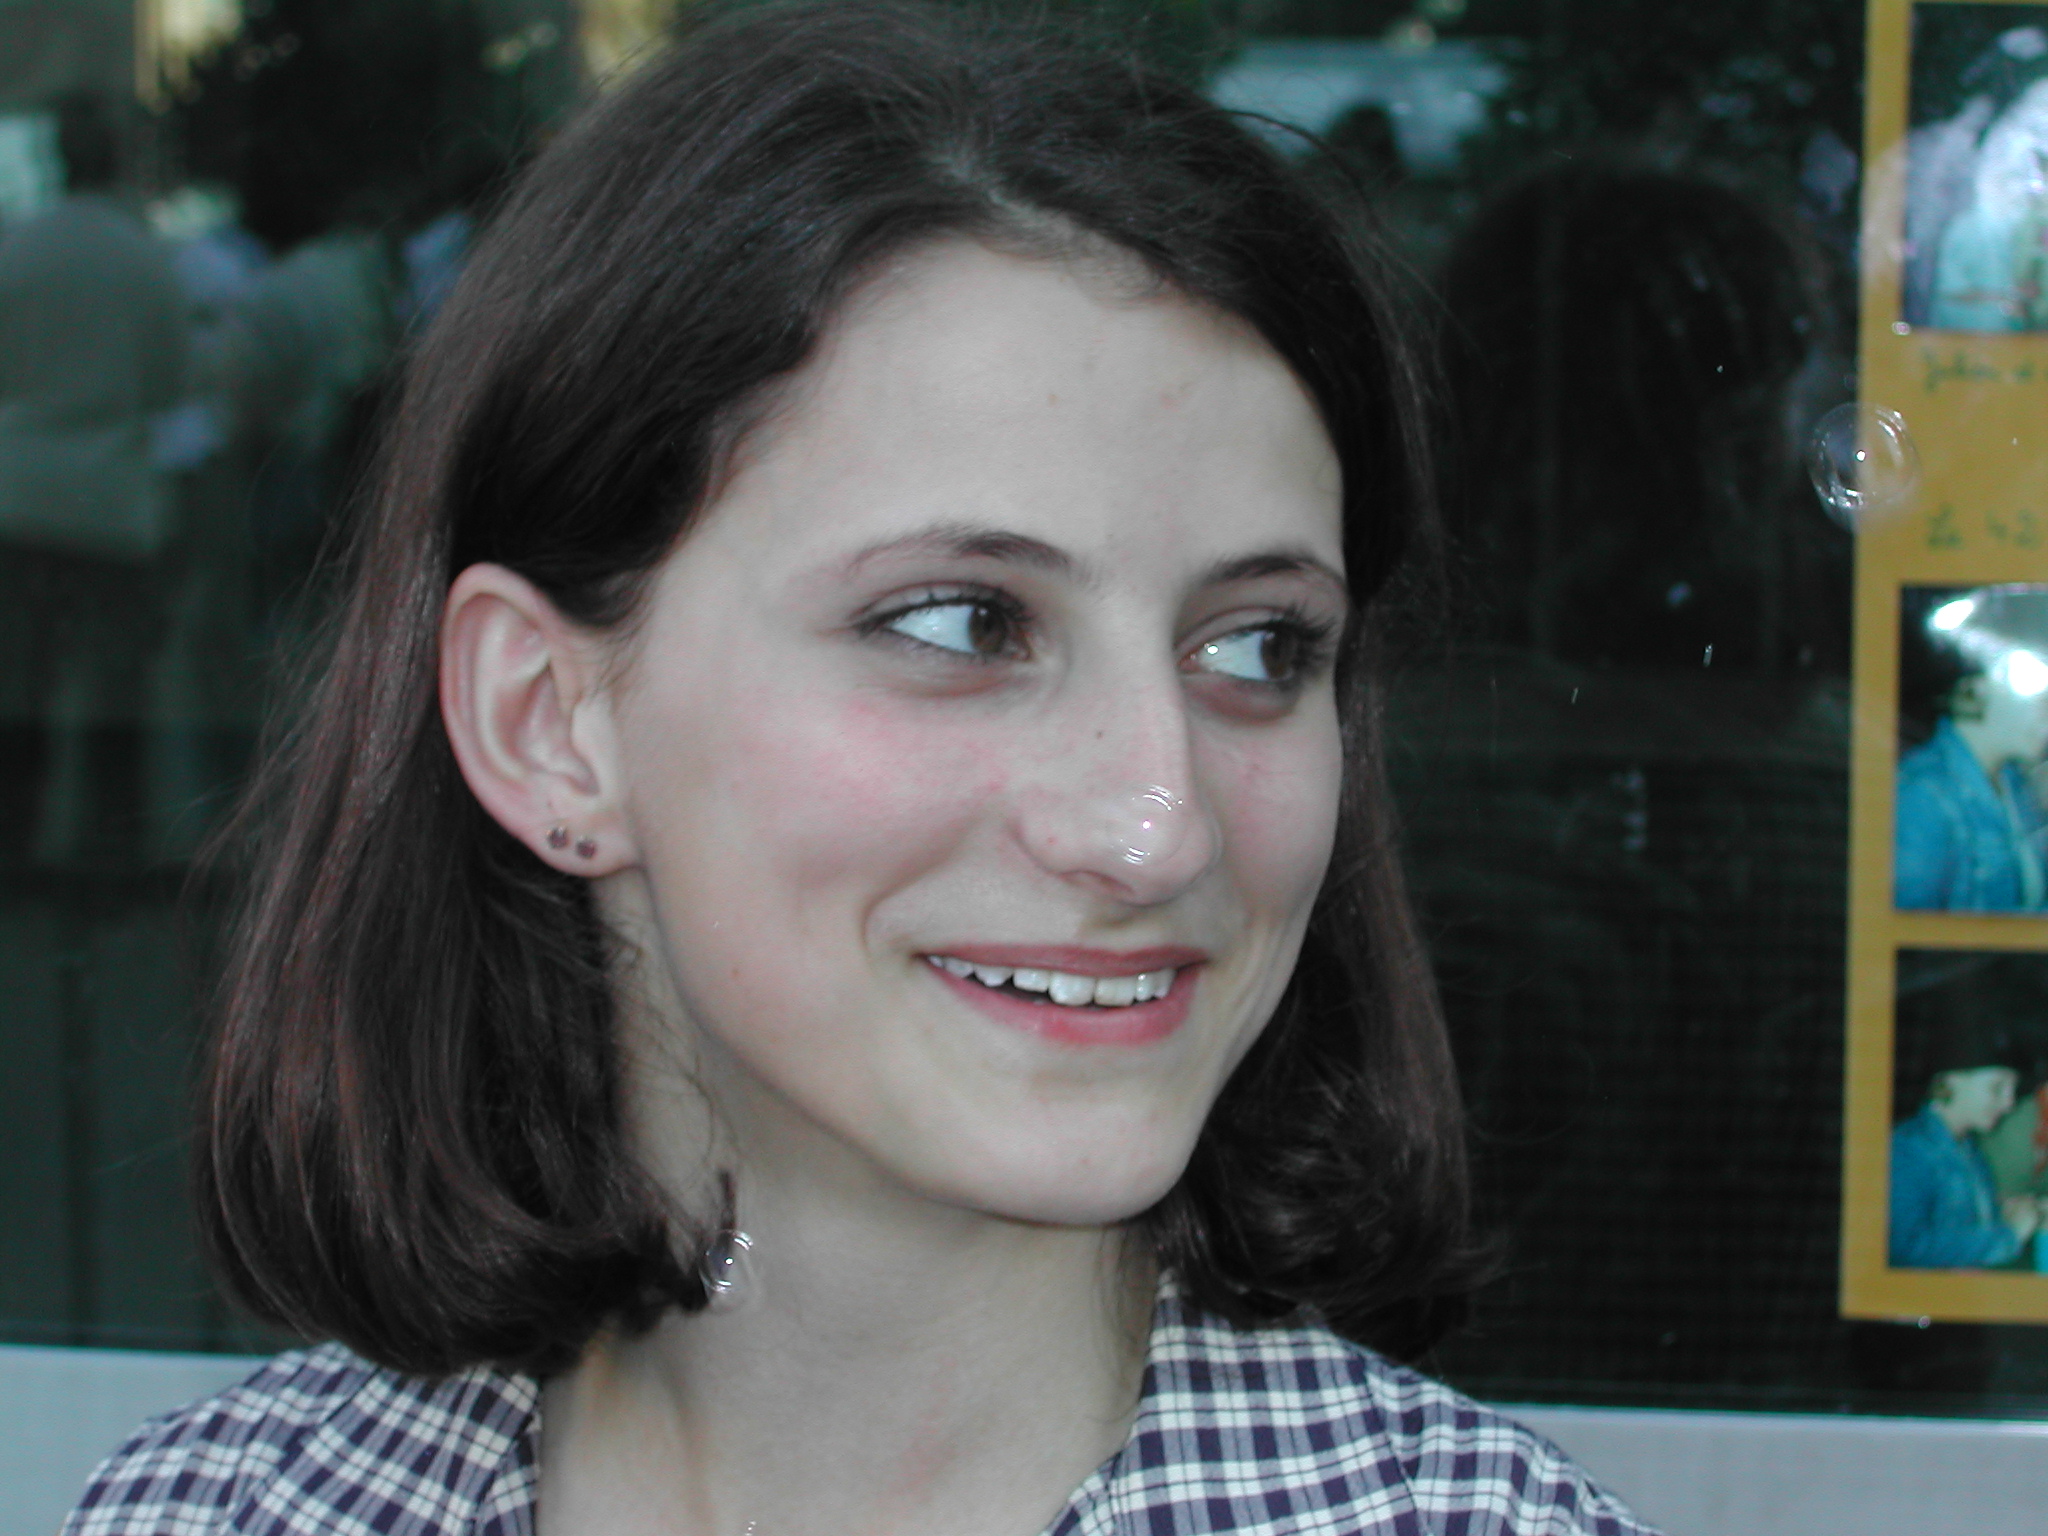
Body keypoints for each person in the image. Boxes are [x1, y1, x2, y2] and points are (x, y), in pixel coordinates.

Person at [66, 7, 1656, 1534]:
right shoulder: (211, 1514)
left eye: (1258, 647)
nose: (1158, 827)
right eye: (963, 623)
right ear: (547, 720)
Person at [1895, 585, 2048, 912]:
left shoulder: (2014, 783)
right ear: (1974, 691)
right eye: (2036, 686)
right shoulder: (1923, 797)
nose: (2046, 708)